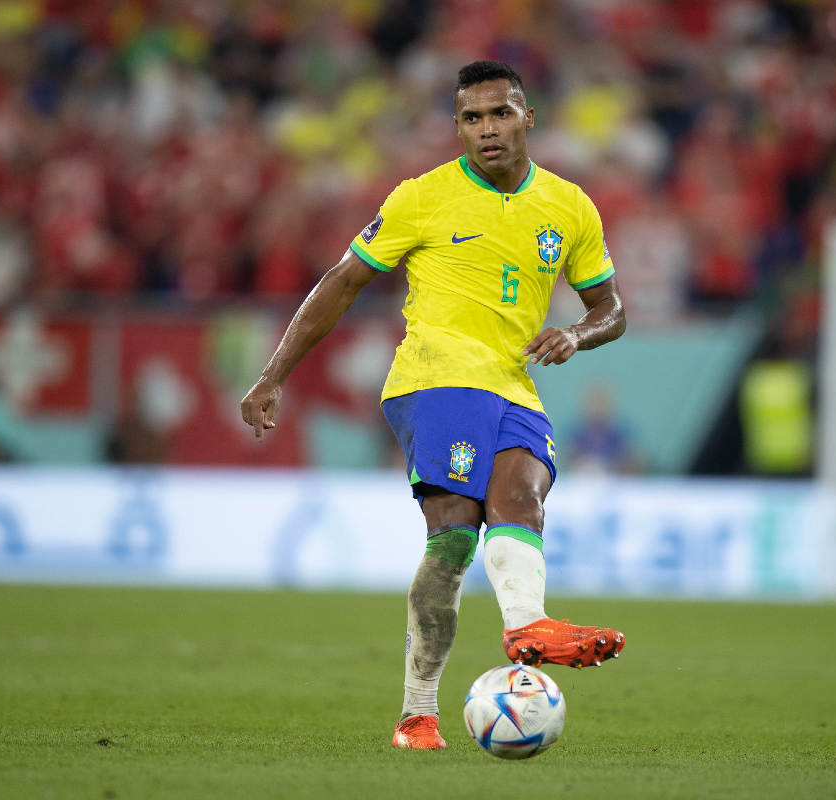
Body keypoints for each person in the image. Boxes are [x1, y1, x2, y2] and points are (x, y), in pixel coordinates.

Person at [240, 61, 627, 750]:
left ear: (527, 118)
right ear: (458, 128)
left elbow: (612, 308)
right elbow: (342, 282)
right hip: (434, 375)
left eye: (500, 113)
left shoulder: (570, 206)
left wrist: (576, 333)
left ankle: (526, 626)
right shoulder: (422, 197)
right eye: (473, 118)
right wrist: (273, 375)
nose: (488, 129)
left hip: (514, 381)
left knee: (522, 499)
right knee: (454, 534)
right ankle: (419, 712)